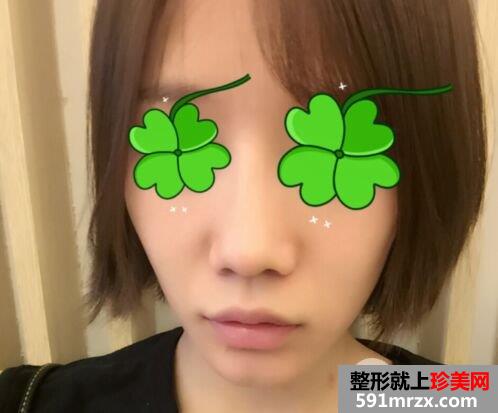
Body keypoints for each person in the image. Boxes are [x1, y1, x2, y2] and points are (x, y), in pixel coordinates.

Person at [0, 0, 487, 412]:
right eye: (180, 139)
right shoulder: (29, 401)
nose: (248, 251)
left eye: (340, 142)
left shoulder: (451, 398)